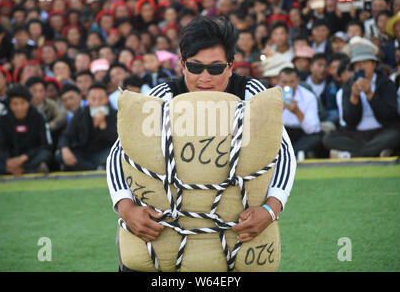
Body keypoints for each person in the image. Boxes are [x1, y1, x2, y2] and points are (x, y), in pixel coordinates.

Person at [107, 16, 296, 271]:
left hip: (232, 226)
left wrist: (270, 209)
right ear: (183, 65)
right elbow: (120, 152)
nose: (205, 77)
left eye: (216, 68)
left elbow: (283, 151)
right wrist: (126, 208)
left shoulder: (251, 94)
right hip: (167, 225)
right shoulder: (163, 97)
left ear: (231, 66)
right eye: (196, 67)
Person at [323, 44, 400, 158]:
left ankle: (350, 155)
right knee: (328, 139)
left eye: (364, 62)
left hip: (381, 131)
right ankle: (375, 152)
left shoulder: (385, 83)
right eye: (357, 65)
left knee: (395, 136)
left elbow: (389, 115)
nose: (361, 67)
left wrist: (370, 94)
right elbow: (349, 121)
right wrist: (354, 97)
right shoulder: (348, 86)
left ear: (373, 64)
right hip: (355, 135)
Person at [0, 84, 52, 175]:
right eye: (15, 104)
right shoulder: (4, 117)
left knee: (45, 155)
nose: (19, 107)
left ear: (29, 102)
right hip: (10, 159)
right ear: (9, 104)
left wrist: (23, 158)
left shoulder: (38, 116)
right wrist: (8, 160)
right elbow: (0, 145)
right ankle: (24, 170)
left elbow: (45, 144)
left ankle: (10, 170)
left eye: (23, 103)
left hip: (30, 157)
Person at [56, 82, 117, 171]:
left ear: (107, 99)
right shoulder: (80, 113)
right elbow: (67, 135)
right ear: (88, 99)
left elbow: (117, 141)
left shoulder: (114, 114)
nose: (97, 103)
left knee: (117, 155)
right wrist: (65, 149)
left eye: (101, 99)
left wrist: (103, 125)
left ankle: (93, 167)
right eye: (93, 99)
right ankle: (96, 168)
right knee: (60, 154)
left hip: (104, 153)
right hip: (84, 153)